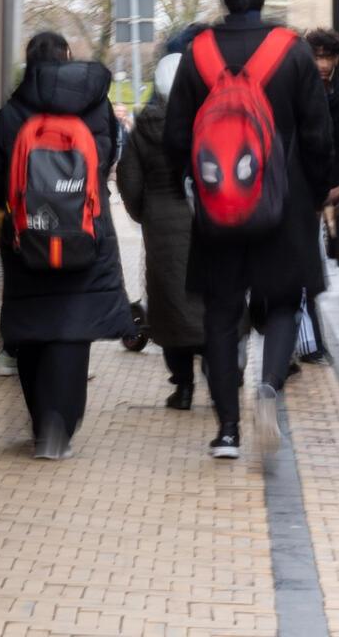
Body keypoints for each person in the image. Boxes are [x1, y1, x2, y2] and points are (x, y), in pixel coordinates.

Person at [164, 0, 338, 461]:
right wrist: (315, 192)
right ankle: (267, 388)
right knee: (283, 302)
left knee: (221, 313)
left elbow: (177, 136)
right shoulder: (292, 52)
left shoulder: (197, 53)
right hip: (283, 207)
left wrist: (198, 186)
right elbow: (317, 132)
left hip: (219, 210)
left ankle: (227, 431)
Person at [0, 31, 134, 459]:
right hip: (85, 237)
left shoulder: (13, 111)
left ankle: (40, 423)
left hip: (26, 238)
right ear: (67, 58)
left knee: (31, 328)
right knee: (72, 332)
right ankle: (59, 429)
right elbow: (107, 161)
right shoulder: (96, 107)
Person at [116, 46, 206, 410]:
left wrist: (144, 214)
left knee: (169, 306)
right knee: (207, 302)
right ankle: (219, 381)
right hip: (204, 223)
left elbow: (129, 180)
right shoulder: (206, 122)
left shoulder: (144, 128)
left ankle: (182, 387)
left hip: (161, 227)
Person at [300, 27, 339, 367]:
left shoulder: (337, 93)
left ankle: (309, 342)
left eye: (328, 57)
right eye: (317, 56)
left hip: (323, 192)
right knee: (307, 269)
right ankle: (309, 344)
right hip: (308, 194)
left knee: (313, 268)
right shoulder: (304, 93)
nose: (323, 63)